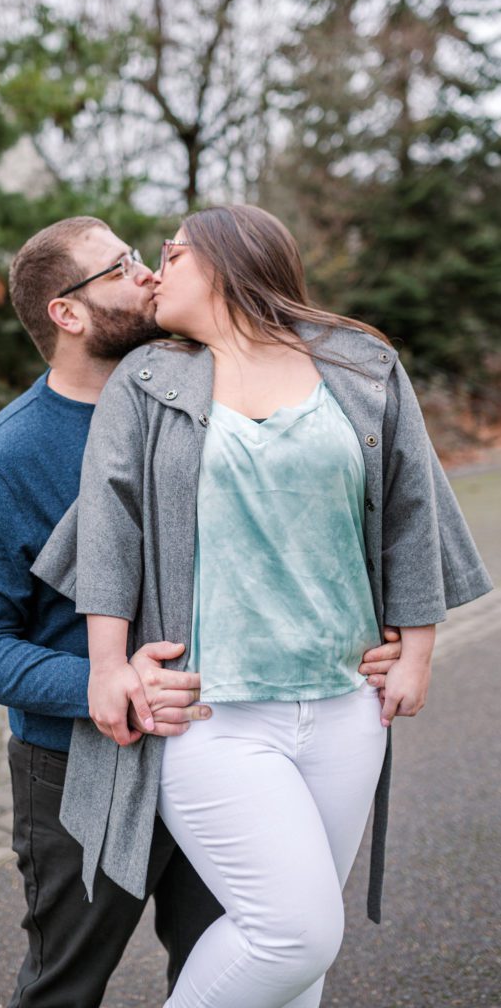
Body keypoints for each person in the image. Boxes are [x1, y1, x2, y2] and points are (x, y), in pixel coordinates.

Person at [32, 206, 493, 1008]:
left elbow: (411, 504)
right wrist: (107, 665)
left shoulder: (362, 364)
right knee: (296, 932)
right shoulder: (148, 382)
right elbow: (109, 528)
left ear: (221, 262)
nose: (153, 276)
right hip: (218, 716)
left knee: (299, 965)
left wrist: (415, 647)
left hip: (347, 707)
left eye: (169, 256)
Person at [0, 215, 403, 1008]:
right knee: (64, 982)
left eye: (145, 258)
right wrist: (100, 680)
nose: (149, 274)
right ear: (68, 313)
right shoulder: (7, 457)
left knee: (253, 958)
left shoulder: (223, 386)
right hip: (82, 758)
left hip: (224, 736)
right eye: (120, 268)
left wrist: (379, 633)